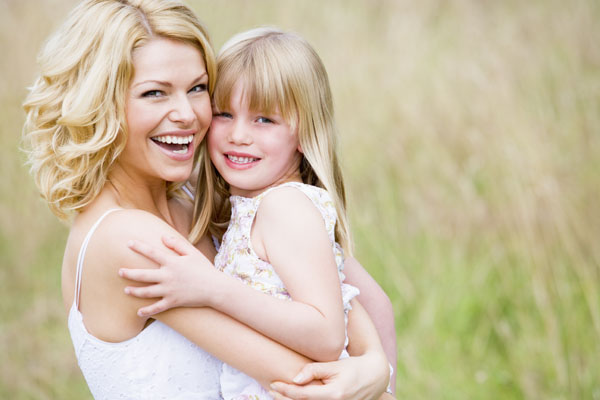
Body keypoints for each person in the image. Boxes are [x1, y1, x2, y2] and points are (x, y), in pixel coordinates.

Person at [22, 0, 394, 399]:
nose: (187, 114)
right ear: (99, 104)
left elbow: (364, 298)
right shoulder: (126, 240)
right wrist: (375, 375)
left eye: (198, 88)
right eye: (154, 93)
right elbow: (305, 382)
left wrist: (375, 363)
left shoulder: (209, 202)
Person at [119, 27, 395, 399]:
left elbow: (327, 335)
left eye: (264, 119)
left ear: (305, 132)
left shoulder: (285, 207)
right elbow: (370, 305)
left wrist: (212, 288)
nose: (238, 135)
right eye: (224, 114)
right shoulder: (250, 207)